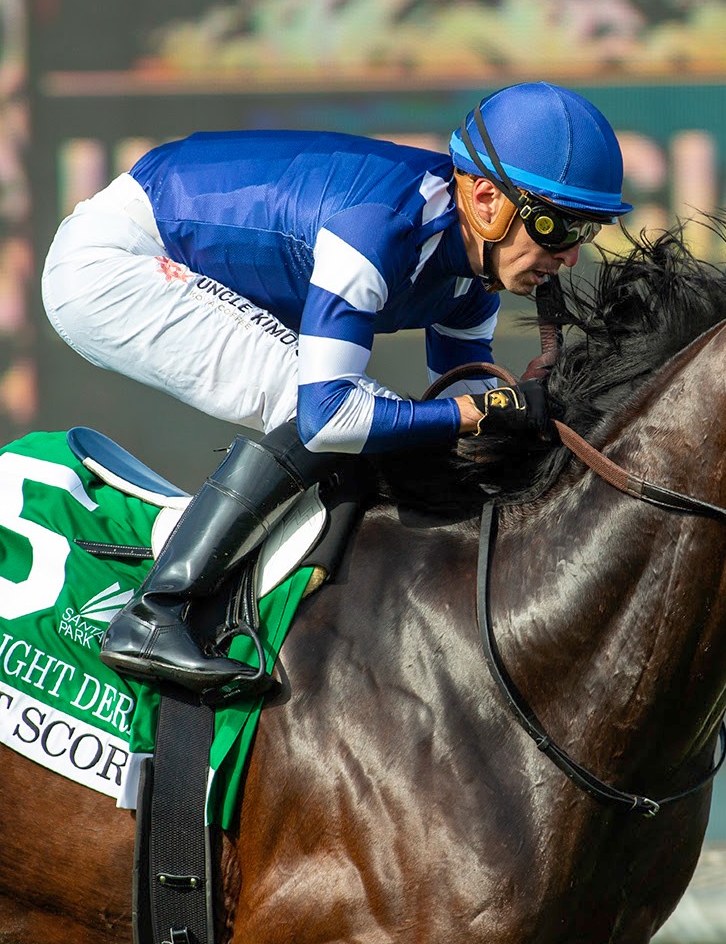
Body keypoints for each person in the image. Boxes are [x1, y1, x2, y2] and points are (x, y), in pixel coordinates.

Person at [40, 82, 633, 690]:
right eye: (559, 228)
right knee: (321, 405)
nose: (570, 257)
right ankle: (155, 612)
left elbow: (464, 417)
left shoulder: (472, 273)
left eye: (585, 232)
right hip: (112, 263)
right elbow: (329, 418)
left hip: (167, 230)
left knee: (388, 426)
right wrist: (479, 412)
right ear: (486, 200)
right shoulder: (379, 230)